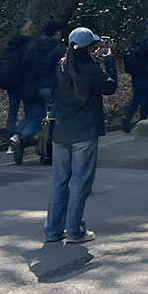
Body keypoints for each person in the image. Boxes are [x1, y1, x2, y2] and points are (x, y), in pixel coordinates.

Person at [43, 27, 117, 244]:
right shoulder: (91, 70)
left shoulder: (62, 66)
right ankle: (75, 230)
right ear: (89, 49)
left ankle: (53, 230)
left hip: (61, 131)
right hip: (84, 131)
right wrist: (109, 62)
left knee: (59, 182)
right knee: (80, 182)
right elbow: (110, 88)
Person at [13, 19, 65, 164]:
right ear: (57, 32)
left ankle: (22, 139)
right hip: (52, 87)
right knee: (51, 120)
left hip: (34, 88)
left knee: (35, 116)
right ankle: (47, 152)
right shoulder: (58, 49)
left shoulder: (32, 45)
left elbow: (25, 64)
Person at [0, 19, 34, 152]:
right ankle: (20, 138)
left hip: (12, 84)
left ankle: (10, 142)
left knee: (12, 113)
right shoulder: (29, 45)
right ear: (24, 30)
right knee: (30, 113)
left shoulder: (11, 44)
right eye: (30, 28)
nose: (31, 30)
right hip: (26, 84)